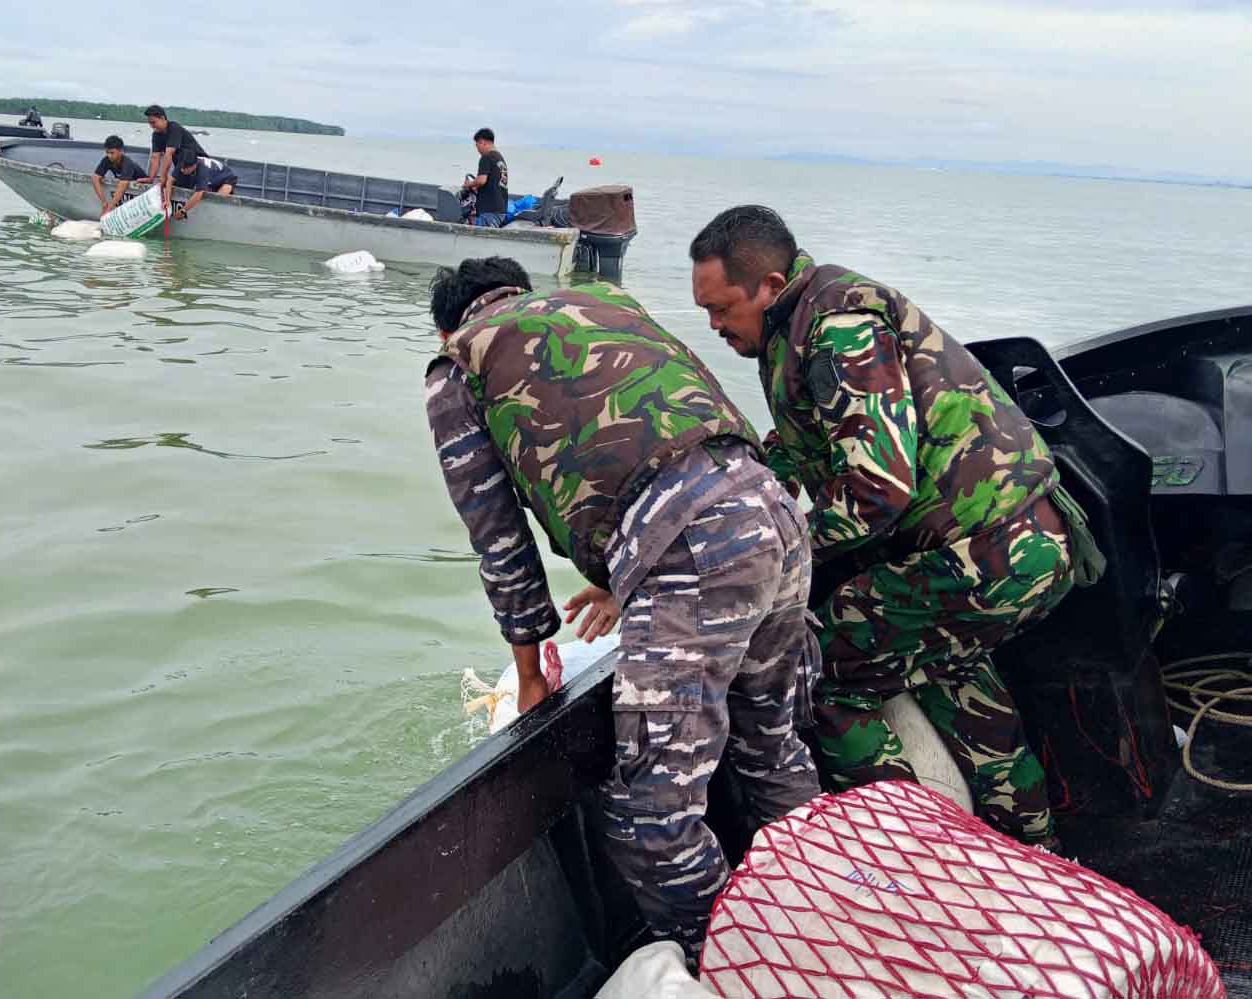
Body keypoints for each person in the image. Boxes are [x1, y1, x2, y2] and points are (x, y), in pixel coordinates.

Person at [426, 256, 821, 957]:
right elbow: (670, 433)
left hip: (694, 552)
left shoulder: (460, 365)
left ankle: (736, 967)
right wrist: (624, 576)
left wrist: (529, 673)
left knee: (650, 813)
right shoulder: (602, 302)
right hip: (775, 518)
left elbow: (500, 542)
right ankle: (825, 917)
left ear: (446, 326)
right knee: (771, 745)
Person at [689, 205, 1093, 848]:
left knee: (830, 671)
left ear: (768, 286)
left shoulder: (839, 329)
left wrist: (783, 555)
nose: (713, 325)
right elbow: (801, 447)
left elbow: (878, 491)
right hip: (1018, 548)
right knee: (949, 670)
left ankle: (912, 863)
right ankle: (1033, 845)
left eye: (722, 308)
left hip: (986, 554)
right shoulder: (802, 321)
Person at [143, 104, 208, 206]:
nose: (152, 126)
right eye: (149, 123)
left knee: (173, 182)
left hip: (197, 163)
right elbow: (155, 157)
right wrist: (151, 178)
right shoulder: (156, 135)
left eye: (153, 122)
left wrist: (163, 177)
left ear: (163, 118)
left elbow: (169, 154)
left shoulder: (174, 128)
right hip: (182, 167)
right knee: (171, 186)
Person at [167, 155, 238, 221]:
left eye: (185, 169)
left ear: (194, 166)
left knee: (217, 199)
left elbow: (198, 193)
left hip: (227, 178)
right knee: (200, 188)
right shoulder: (182, 163)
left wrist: (183, 211)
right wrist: (167, 200)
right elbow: (170, 180)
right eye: (181, 168)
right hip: (212, 178)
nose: (182, 170)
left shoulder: (203, 171)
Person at [461, 128, 508, 227]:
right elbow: (493, 182)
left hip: (489, 212)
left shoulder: (486, 157)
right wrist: (476, 186)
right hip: (500, 211)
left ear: (482, 142)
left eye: (477, 145)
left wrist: (468, 184)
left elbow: (482, 180)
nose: (477, 149)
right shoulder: (499, 158)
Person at [90, 135, 147, 214]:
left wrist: (109, 208)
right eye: (107, 152)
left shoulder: (128, 163)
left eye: (112, 153)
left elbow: (123, 184)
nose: (109, 155)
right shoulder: (107, 160)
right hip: (125, 190)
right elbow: (95, 178)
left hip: (141, 190)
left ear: (120, 151)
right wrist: (104, 202)